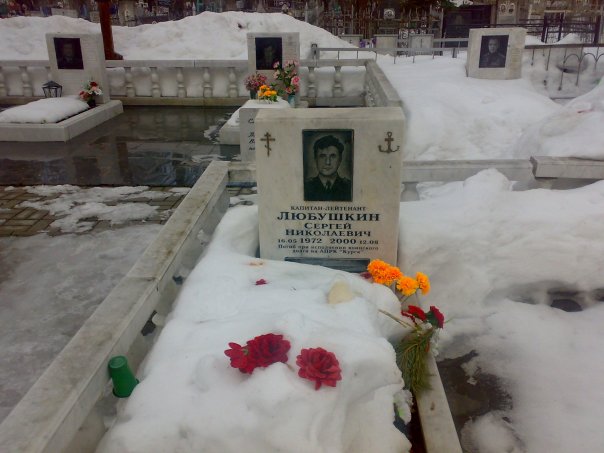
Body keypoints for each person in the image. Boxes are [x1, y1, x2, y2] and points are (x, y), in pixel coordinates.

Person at [304, 135, 352, 202]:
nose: (327, 162)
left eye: (333, 156)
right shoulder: (305, 187)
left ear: (340, 160)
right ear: (315, 159)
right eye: (322, 156)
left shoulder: (349, 187)